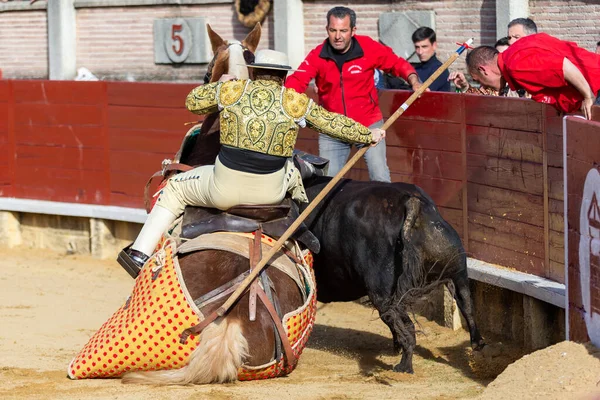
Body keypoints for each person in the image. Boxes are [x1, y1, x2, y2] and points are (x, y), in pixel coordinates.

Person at [118, 49, 385, 273]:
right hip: (271, 193)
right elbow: (333, 123)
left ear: (254, 71)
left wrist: (219, 86)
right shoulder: (294, 102)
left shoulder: (233, 91)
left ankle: (140, 254)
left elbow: (193, 102)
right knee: (294, 172)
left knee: (175, 188)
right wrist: (367, 134)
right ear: (283, 75)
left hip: (223, 190)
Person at [285, 6, 422, 183]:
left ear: (353, 30)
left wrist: (413, 80)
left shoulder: (369, 47)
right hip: (332, 127)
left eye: (343, 30)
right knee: (327, 181)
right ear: (327, 29)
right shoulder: (317, 55)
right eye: (333, 30)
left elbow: (396, 64)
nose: (337, 36)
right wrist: (283, 97)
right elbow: (297, 81)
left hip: (368, 124)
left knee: (380, 177)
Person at [466, 33, 600, 119]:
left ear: (483, 70)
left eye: (479, 80)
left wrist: (588, 95)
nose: (483, 86)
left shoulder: (515, 65)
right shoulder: (519, 47)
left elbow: (563, 66)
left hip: (595, 87)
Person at [449, 36, 529, 97]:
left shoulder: (526, 76)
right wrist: (465, 87)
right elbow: (482, 101)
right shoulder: (490, 87)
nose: (483, 85)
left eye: (479, 81)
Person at [411, 27, 451, 92]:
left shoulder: (440, 70)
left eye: (424, 47)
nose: (420, 52)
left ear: (434, 45)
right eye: (417, 47)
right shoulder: (416, 69)